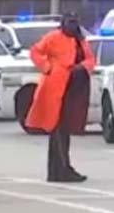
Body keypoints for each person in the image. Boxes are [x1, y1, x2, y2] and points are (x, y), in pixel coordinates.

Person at [25, 13, 95, 182]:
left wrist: (83, 68)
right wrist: (48, 67)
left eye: (75, 23)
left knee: (65, 129)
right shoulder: (53, 37)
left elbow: (90, 59)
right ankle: (60, 169)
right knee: (57, 129)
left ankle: (60, 169)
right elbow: (35, 52)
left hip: (74, 89)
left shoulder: (81, 40)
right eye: (69, 22)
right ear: (63, 23)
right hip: (55, 88)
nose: (72, 26)